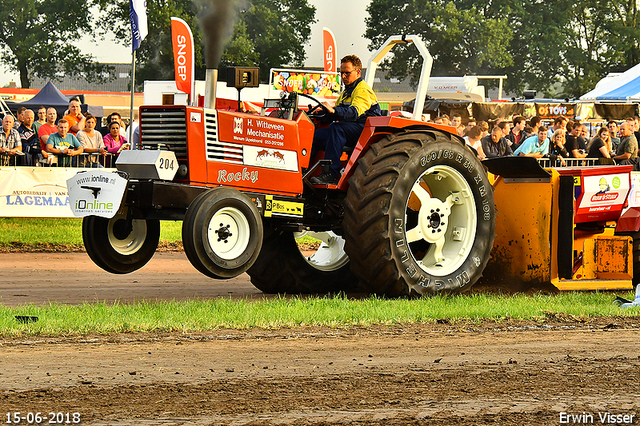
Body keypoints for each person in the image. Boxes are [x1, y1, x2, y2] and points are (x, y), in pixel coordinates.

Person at [310, 54, 382, 184]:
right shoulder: (346, 92)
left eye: (347, 73)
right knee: (314, 135)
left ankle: (331, 174)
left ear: (358, 72)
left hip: (365, 130)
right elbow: (334, 113)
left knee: (336, 129)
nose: (343, 76)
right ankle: (305, 171)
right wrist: (318, 114)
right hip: (349, 128)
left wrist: (334, 111)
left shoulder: (362, 90)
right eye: (341, 72)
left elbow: (353, 113)